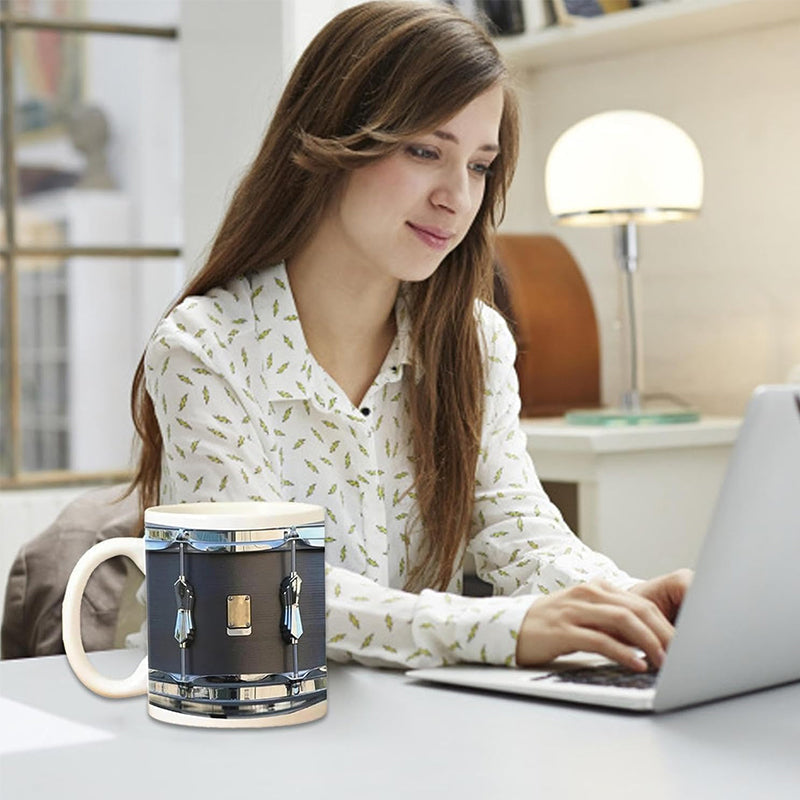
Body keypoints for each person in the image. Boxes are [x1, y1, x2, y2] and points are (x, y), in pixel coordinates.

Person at [128, 0, 691, 673]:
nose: (456, 196)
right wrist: (502, 628)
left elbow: (516, 527)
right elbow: (259, 590)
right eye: (426, 151)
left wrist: (624, 601)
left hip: (412, 723)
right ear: (331, 138)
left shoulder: (473, 341)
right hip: (238, 726)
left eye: (480, 165)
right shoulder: (204, 348)